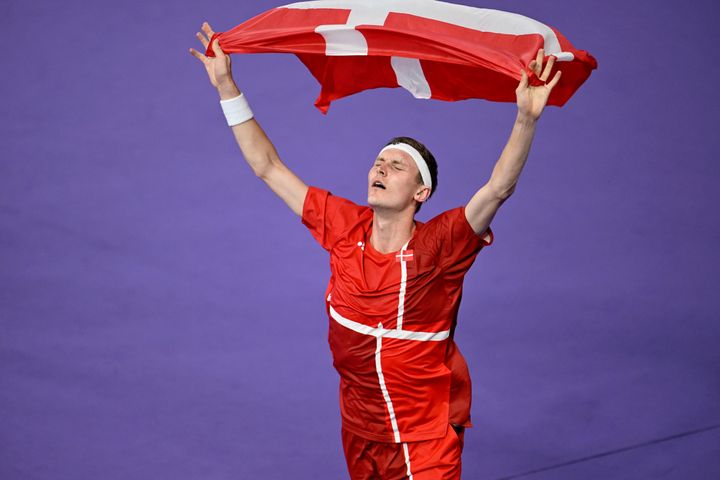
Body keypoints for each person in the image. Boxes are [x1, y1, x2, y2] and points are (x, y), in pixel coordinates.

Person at [190, 20, 561, 480]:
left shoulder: (441, 245)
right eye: (378, 162)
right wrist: (227, 86)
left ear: (420, 192)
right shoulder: (344, 226)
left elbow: (497, 190)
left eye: (397, 166)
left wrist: (526, 118)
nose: (381, 169)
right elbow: (268, 167)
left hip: (424, 438)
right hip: (360, 432)